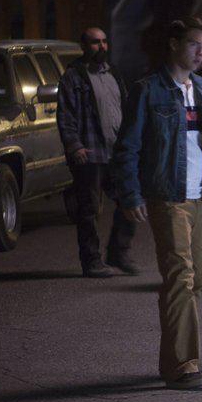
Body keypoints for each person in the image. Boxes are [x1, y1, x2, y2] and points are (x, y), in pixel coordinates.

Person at [113, 17, 202, 391]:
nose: (200, 52)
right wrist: (130, 194)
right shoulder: (148, 90)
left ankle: (172, 360)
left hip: (201, 196)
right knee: (180, 276)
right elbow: (128, 146)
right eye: (194, 44)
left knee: (197, 280)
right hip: (168, 196)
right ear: (174, 44)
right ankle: (184, 364)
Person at [56, 27, 138, 278]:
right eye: (95, 42)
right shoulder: (74, 76)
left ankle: (118, 252)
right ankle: (91, 261)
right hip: (90, 152)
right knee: (89, 210)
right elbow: (65, 115)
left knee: (130, 200)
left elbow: (125, 109)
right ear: (84, 46)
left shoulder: (113, 73)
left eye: (104, 42)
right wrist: (74, 145)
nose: (101, 47)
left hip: (117, 152)